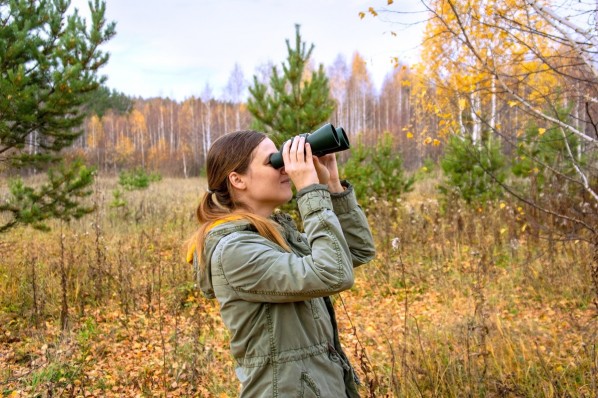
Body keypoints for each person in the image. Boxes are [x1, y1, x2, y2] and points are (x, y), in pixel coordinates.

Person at [186, 130, 376, 397]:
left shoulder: (275, 235)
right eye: (274, 161)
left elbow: (356, 250)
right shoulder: (235, 250)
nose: (286, 168)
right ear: (237, 179)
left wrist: (331, 183)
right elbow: (334, 274)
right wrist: (310, 191)